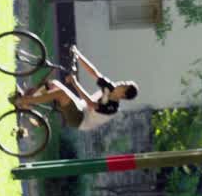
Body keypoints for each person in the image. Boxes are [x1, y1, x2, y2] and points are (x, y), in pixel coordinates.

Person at [10, 45, 139, 131]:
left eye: (124, 86)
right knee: (53, 84)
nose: (121, 83)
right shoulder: (110, 87)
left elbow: (90, 104)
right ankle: (27, 103)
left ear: (123, 95)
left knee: (60, 93)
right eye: (124, 82)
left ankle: (22, 101)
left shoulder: (112, 108)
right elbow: (94, 72)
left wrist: (75, 83)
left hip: (80, 120)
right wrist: (78, 54)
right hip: (80, 106)